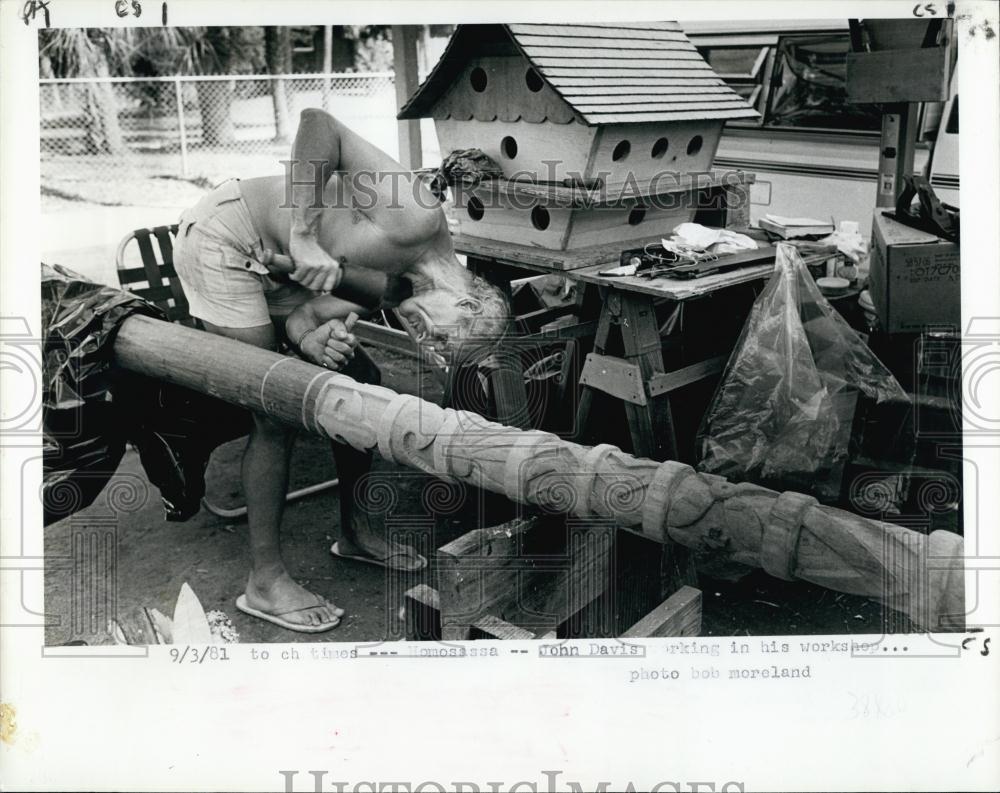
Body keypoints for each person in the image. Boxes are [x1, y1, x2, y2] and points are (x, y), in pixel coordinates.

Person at [172, 108, 509, 632]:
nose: (424, 341)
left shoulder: (403, 287)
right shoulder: (417, 216)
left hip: (275, 262)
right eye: (438, 335)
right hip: (226, 237)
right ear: (466, 301)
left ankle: (355, 534)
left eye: (433, 347)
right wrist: (302, 232)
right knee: (273, 412)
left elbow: (306, 318)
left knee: (361, 382)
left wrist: (314, 341)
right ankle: (264, 582)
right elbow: (318, 124)